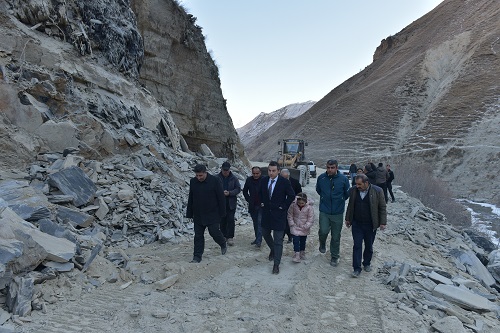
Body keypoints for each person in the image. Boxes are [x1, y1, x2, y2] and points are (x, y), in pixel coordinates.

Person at [345, 174, 387, 277]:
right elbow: (350, 205)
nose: (357, 186)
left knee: (369, 246)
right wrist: (348, 218)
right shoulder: (354, 190)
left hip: (370, 225)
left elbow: (382, 207)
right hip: (357, 224)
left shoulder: (377, 191)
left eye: (359, 184)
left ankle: (367, 263)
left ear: (366, 183)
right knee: (357, 246)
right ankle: (356, 268)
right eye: (356, 184)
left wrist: (383, 222)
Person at [186, 164, 227, 263]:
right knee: (198, 236)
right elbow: (191, 198)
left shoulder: (215, 181)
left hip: (212, 213)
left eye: (201, 175)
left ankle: (222, 243)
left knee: (214, 232)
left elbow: (221, 198)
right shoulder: (193, 182)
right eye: (197, 175)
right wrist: (189, 213)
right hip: (198, 214)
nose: (199, 178)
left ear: (205, 172)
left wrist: (222, 213)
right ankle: (197, 257)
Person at [260, 161, 295, 274]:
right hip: (266, 214)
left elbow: (291, 195)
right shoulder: (264, 180)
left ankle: (276, 264)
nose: (271, 173)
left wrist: (283, 206)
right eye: (269, 170)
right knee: (265, 233)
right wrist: (261, 202)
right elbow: (261, 193)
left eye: (273, 171)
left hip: (279, 215)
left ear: (278, 171)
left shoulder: (284, 182)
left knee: (278, 240)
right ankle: (273, 249)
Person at [316, 159, 350, 267]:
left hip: (337, 212)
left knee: (336, 236)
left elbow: (346, 193)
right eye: (328, 167)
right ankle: (322, 242)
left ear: (336, 168)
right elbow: (318, 190)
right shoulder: (321, 178)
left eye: (332, 168)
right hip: (324, 210)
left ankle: (334, 256)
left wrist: (339, 200)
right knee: (323, 230)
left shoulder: (343, 179)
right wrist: (324, 198)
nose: (330, 170)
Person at [217, 161, 241, 246]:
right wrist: (221, 193)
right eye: (224, 170)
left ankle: (230, 237)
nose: (225, 172)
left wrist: (230, 193)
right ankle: (223, 236)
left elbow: (238, 189)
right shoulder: (217, 178)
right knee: (222, 220)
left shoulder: (234, 178)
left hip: (231, 202)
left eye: (227, 171)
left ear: (229, 170)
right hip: (220, 203)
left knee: (230, 220)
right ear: (221, 169)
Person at [287, 193, 314, 263]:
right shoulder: (293, 205)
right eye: (299, 203)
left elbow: (310, 218)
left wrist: (306, 225)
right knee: (295, 240)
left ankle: (302, 252)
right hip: (295, 226)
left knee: (302, 241)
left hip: (304, 227)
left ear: (305, 202)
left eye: (302, 203)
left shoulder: (309, 208)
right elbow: (290, 214)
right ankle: (297, 254)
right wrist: (291, 223)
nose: (300, 204)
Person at [280, 168, 302, 243]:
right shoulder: (279, 182)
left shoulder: (295, 182)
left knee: (289, 222)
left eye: (286, 177)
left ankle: (290, 236)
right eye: (283, 177)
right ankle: (281, 236)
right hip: (282, 204)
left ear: (288, 176)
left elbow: (299, 193)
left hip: (292, 205)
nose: (284, 179)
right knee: (282, 221)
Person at [243, 166, 263, 247]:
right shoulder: (249, 180)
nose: (255, 175)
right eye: (254, 173)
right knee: (255, 223)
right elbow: (245, 191)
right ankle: (257, 238)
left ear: (260, 173)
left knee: (259, 222)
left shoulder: (264, 180)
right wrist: (249, 199)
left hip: (262, 206)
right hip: (253, 205)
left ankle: (259, 241)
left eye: (257, 173)